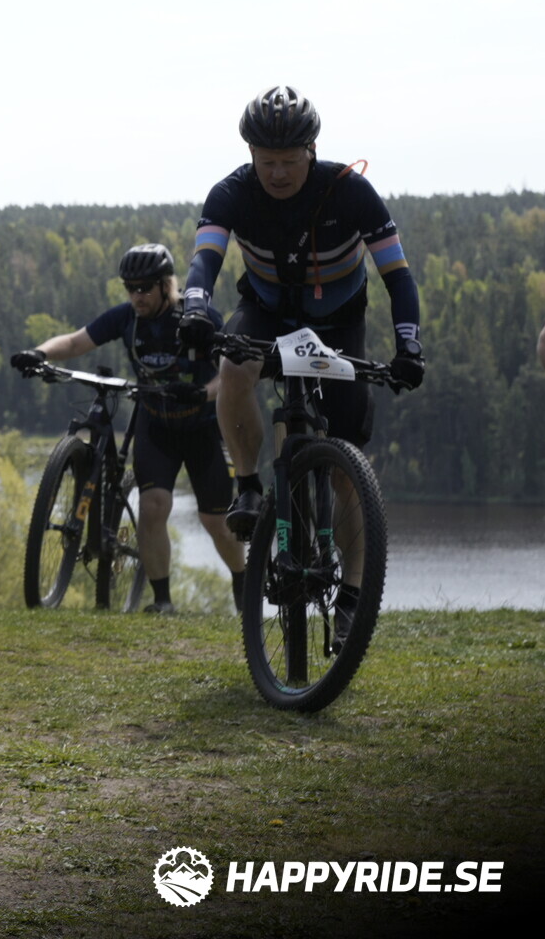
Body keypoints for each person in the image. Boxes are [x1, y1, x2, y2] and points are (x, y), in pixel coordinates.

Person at [176, 87, 425, 639]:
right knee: (233, 369)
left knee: (345, 472)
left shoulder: (351, 192)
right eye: (267, 161)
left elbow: (398, 277)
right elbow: (204, 262)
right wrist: (194, 307)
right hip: (266, 312)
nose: (278, 173)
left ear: (312, 149)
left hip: (339, 323)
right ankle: (248, 485)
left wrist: (409, 345)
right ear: (250, 153)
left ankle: (352, 596)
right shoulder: (231, 193)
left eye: (289, 161)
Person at [10, 243, 247, 614]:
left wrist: (202, 393)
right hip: (155, 427)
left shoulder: (198, 319)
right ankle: (162, 601)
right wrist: (39, 353)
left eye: (144, 288)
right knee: (153, 507)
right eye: (130, 288)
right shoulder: (127, 319)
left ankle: (242, 579)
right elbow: (76, 341)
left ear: (166, 285)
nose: (137, 296)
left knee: (215, 521)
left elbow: (232, 374)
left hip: (202, 428)